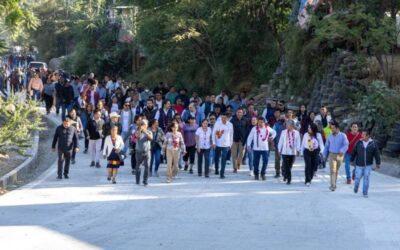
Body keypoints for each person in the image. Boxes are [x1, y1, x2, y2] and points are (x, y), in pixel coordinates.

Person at [351, 129, 381, 198]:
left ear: (368, 136)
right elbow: (354, 151)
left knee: (366, 178)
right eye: (362, 134)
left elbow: (377, 154)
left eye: (364, 135)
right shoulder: (359, 142)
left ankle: (365, 192)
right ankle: (356, 186)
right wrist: (352, 160)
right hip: (359, 164)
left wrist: (378, 163)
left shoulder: (373, 143)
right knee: (357, 177)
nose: (362, 136)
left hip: (368, 165)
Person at [323, 120, 349, 192]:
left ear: (337, 128)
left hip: (340, 155)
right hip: (331, 154)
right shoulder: (329, 136)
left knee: (336, 170)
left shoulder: (343, 136)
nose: (332, 129)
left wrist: (342, 150)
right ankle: (333, 185)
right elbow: (326, 146)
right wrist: (324, 154)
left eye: (333, 128)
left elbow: (346, 145)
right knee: (332, 170)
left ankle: (334, 183)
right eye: (331, 128)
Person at [277, 120, 301, 185]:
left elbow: (298, 142)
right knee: (287, 165)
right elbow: (281, 141)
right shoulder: (283, 132)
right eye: (286, 124)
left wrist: (298, 150)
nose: (287, 126)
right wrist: (279, 150)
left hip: (293, 152)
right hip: (285, 152)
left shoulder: (296, 133)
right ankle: (289, 179)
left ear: (292, 125)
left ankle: (285, 174)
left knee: (290, 166)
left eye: (288, 124)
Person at [212, 112, 234, 179]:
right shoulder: (217, 123)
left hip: (226, 144)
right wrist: (213, 142)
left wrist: (230, 144)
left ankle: (222, 173)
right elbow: (213, 133)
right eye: (222, 118)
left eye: (225, 118)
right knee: (216, 158)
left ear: (227, 118)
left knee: (223, 159)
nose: (223, 119)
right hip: (218, 143)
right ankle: (216, 169)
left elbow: (231, 135)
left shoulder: (230, 124)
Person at [134, 119, 153, 186]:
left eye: (144, 124)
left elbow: (151, 138)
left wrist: (145, 131)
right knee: (138, 166)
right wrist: (140, 130)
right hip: (139, 152)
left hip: (147, 151)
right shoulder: (137, 131)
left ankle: (145, 181)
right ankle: (138, 180)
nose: (143, 125)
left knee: (147, 166)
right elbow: (137, 136)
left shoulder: (149, 132)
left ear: (147, 125)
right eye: (142, 124)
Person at [230, 108, 248, 173]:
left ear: (243, 113)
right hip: (234, 139)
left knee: (241, 154)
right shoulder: (232, 120)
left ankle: (238, 164)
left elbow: (247, 129)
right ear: (236, 113)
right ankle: (235, 168)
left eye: (240, 112)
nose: (239, 113)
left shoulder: (246, 120)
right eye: (238, 112)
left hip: (242, 139)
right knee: (234, 154)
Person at [272, 113, 286, 178]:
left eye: (284, 117)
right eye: (281, 117)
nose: (282, 118)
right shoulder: (276, 125)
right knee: (277, 159)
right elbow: (272, 134)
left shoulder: (288, 124)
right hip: (278, 145)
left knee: (285, 159)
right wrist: (273, 143)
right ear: (279, 117)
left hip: (286, 145)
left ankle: (283, 170)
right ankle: (277, 171)